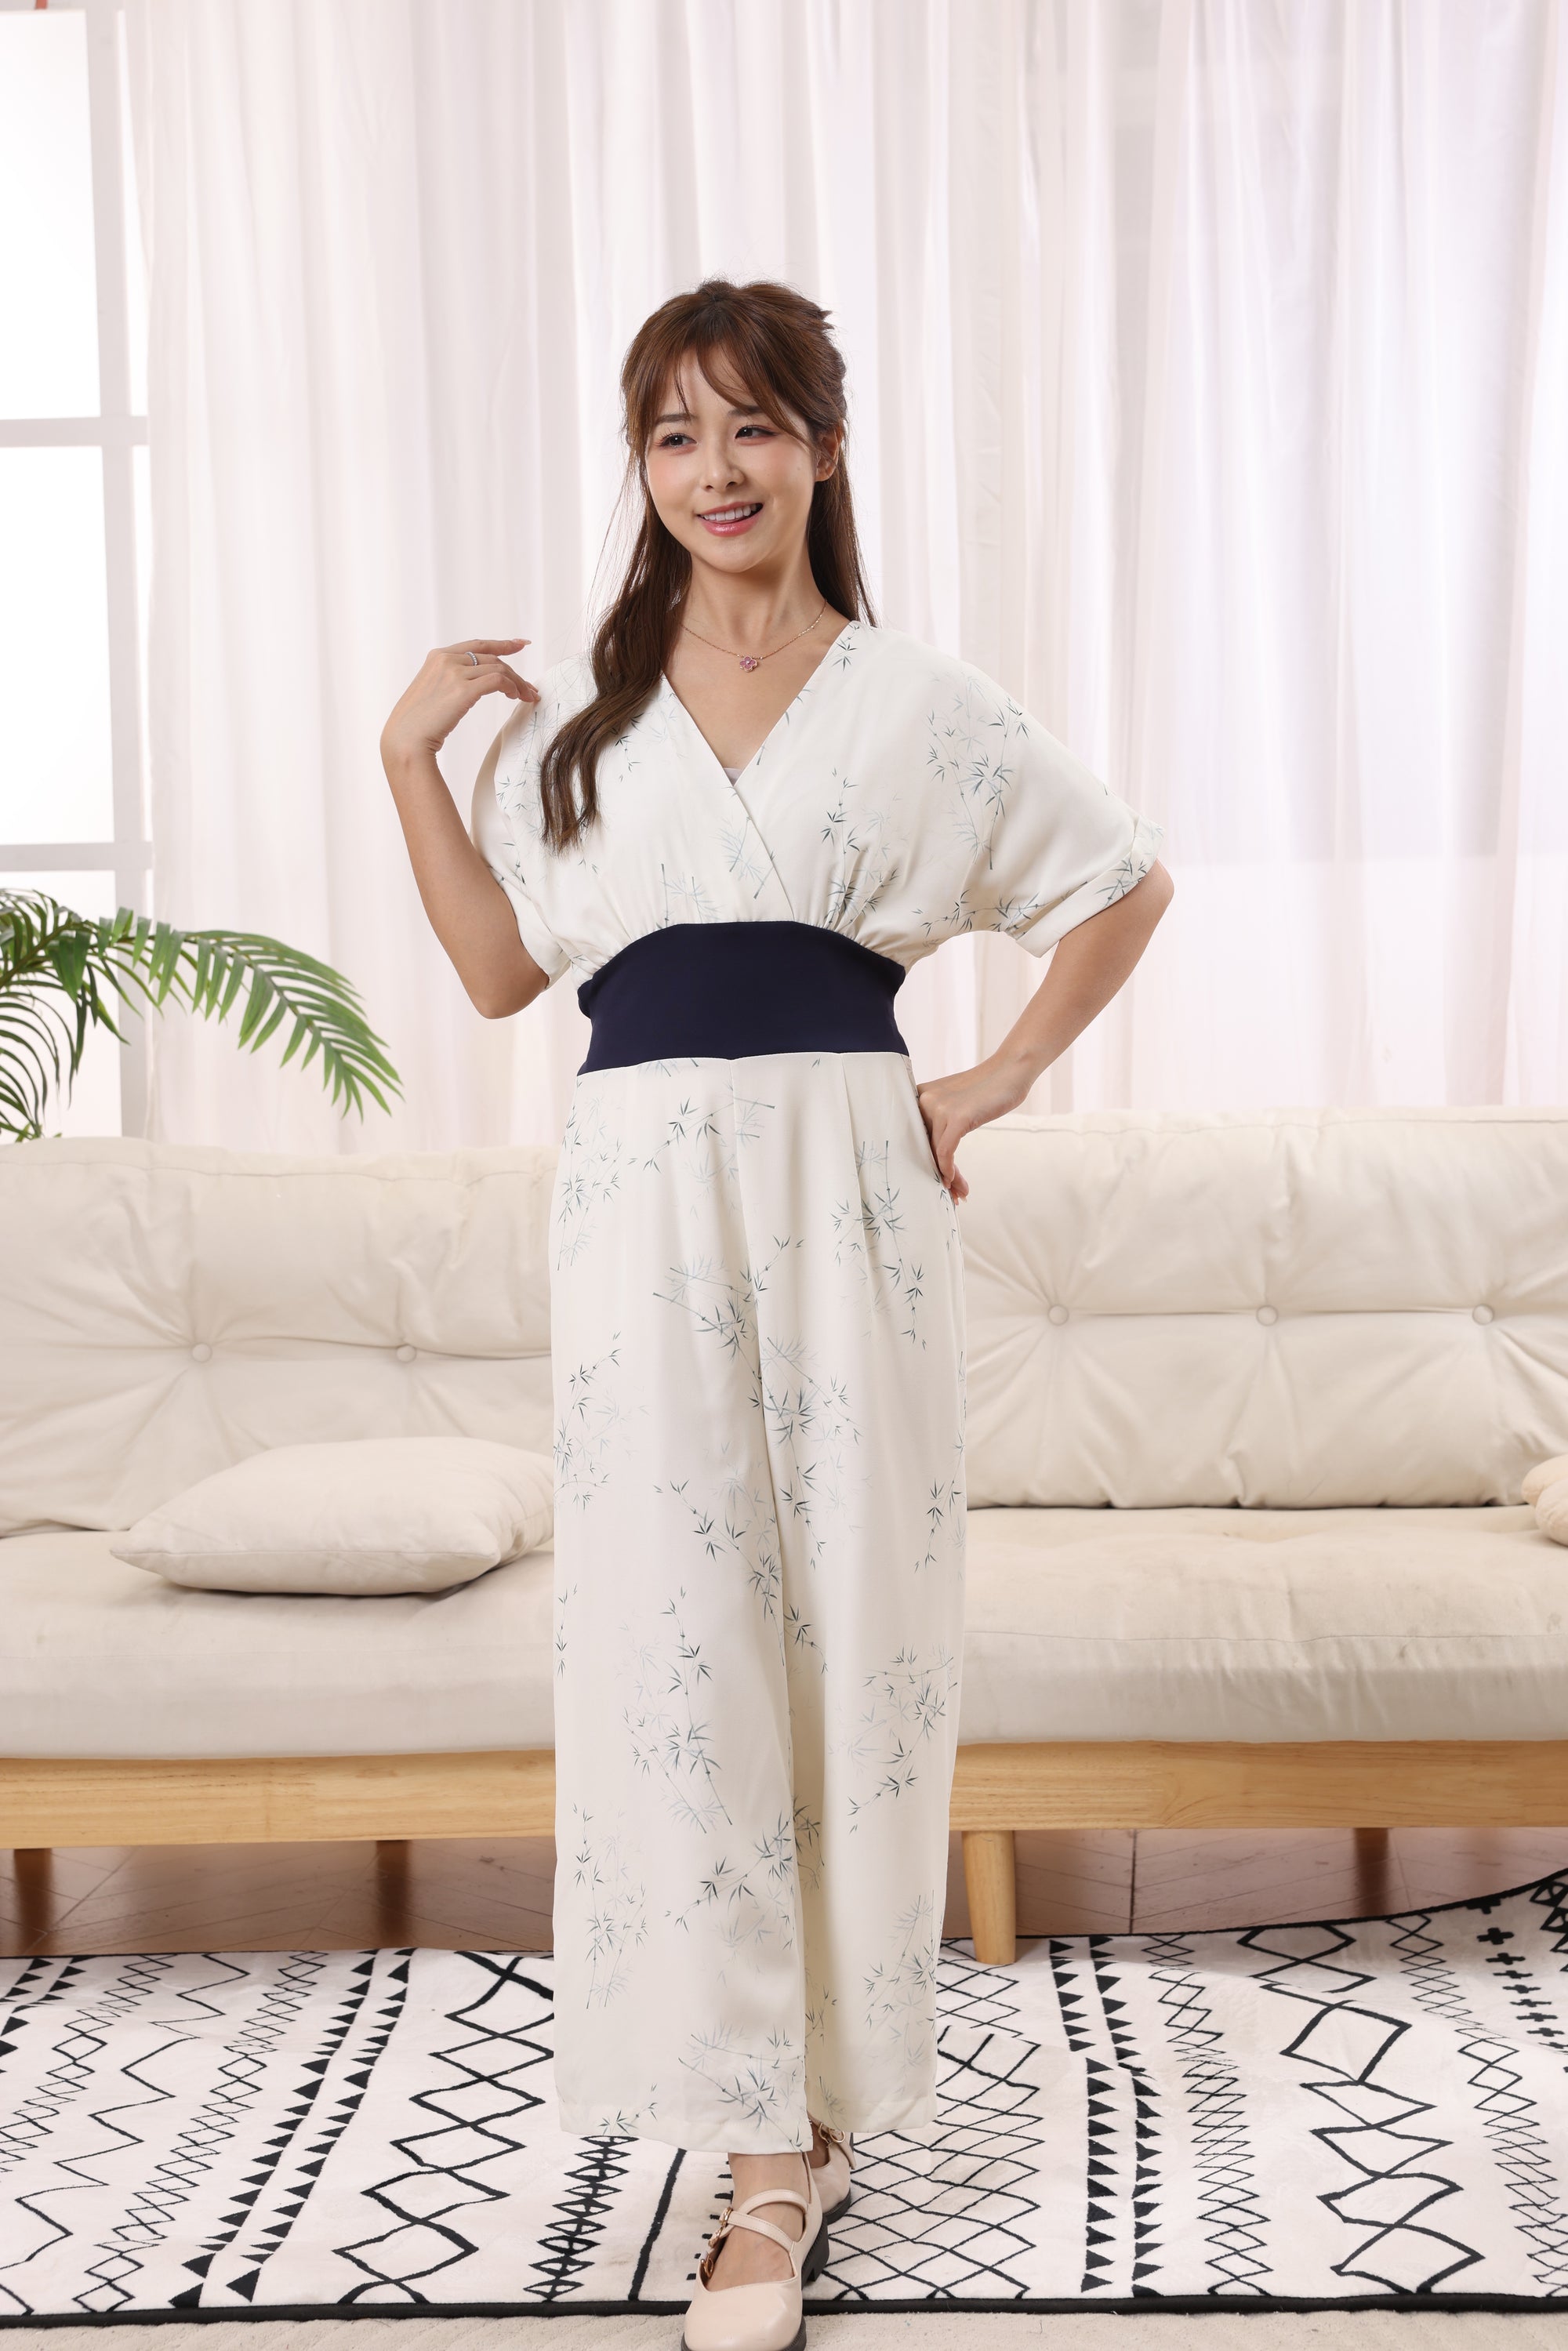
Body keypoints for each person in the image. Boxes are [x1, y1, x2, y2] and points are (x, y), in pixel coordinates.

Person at [381, 276, 1171, 2351]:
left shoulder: (919, 703)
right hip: (638, 1190)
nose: (714, 471)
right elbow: (499, 976)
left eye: (751, 427)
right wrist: (405, 761)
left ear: (823, 445)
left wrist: (994, 1078)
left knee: (853, 1628)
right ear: (639, 467)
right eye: (673, 435)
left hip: (850, 1181)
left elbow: (1119, 882)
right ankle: (742, 2138)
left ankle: (811, 2115)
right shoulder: (584, 729)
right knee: (674, 1633)